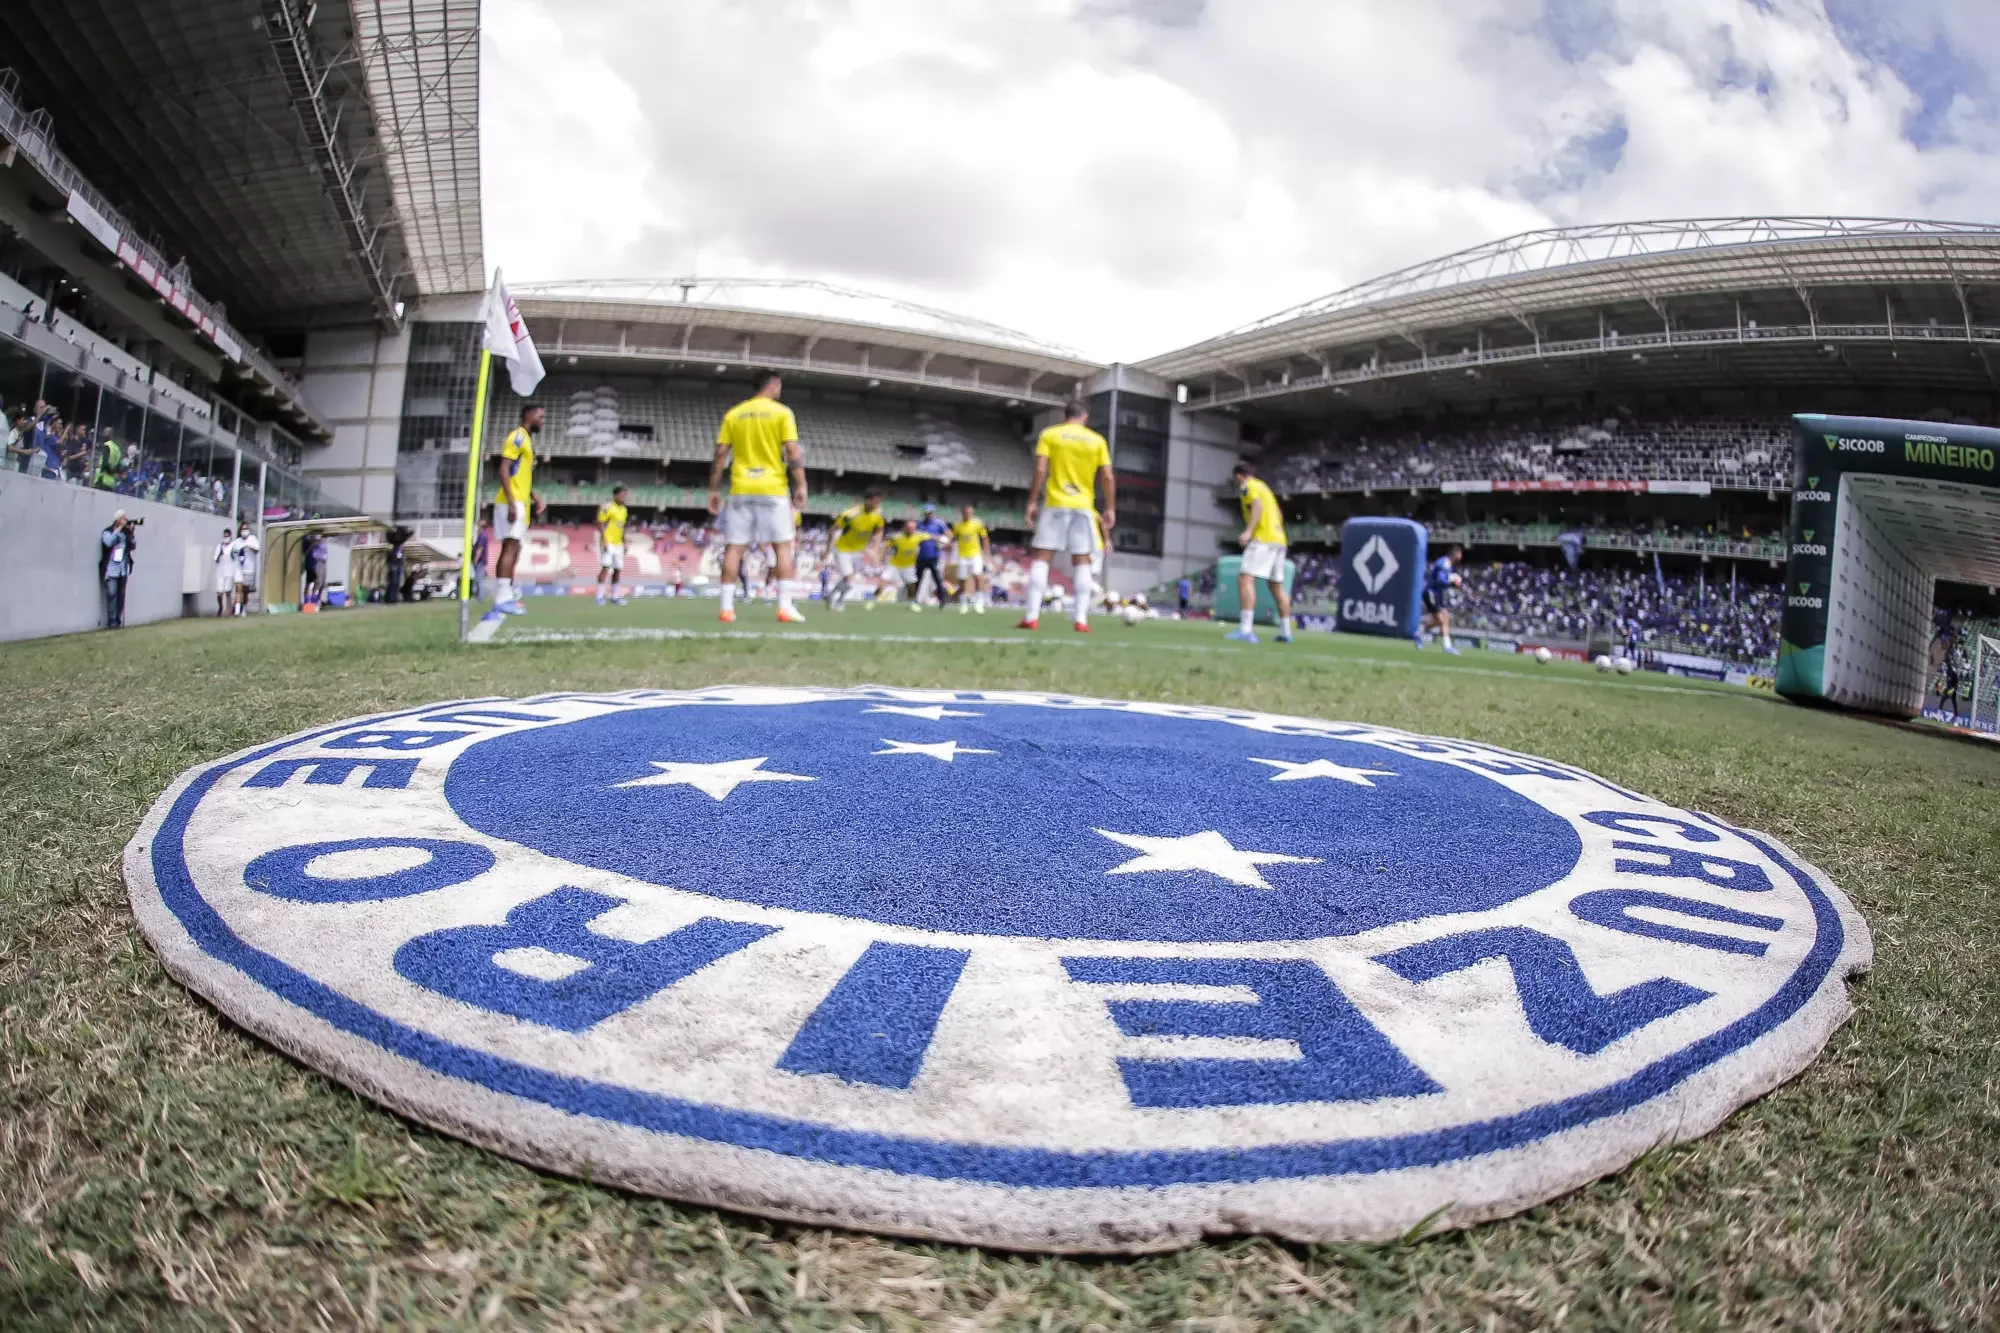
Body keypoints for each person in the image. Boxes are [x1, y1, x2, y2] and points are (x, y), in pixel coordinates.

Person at [708, 370, 807, 624]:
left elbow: (720, 453)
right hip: (772, 488)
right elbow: (792, 451)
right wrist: (801, 484)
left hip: (741, 488)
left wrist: (714, 489)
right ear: (773, 386)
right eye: (779, 387)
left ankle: (726, 609)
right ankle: (784, 607)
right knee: (782, 547)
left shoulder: (735, 413)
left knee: (735, 548)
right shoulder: (782, 413)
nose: (780, 391)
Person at [1019, 401, 1114, 632]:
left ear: (1064, 416)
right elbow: (1108, 477)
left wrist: (1032, 501)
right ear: (1085, 417)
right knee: (1082, 560)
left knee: (1042, 558)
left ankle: (1032, 617)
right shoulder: (1097, 440)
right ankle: (1080, 620)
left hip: (1055, 503)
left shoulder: (1050, 434)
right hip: (1083, 506)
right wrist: (1110, 507)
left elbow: (1041, 470)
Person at [487, 403, 545, 618]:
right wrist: (511, 502)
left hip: (521, 501)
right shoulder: (518, 436)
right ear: (528, 416)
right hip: (511, 502)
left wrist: (534, 497)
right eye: (540, 416)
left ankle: (507, 595)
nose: (543, 420)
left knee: (515, 548)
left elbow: (520, 476)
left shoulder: (528, 441)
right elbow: (503, 468)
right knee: (510, 548)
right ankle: (502, 598)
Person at [1226, 460, 1293, 644]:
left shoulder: (1248, 487)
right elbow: (1279, 513)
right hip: (1279, 540)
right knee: (1277, 587)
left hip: (1262, 539)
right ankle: (1286, 633)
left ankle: (1246, 630)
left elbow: (1257, 505)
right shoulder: (1264, 487)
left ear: (1239, 476)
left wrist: (1248, 531)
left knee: (1245, 579)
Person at [827, 490, 886, 611]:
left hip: (858, 551)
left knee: (848, 579)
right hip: (842, 549)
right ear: (867, 500)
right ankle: (839, 600)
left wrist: (875, 548)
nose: (877, 505)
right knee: (849, 578)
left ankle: (832, 595)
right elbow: (832, 530)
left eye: (879, 502)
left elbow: (880, 530)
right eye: (875, 502)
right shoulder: (850, 515)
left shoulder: (877, 515)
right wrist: (827, 549)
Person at [1420, 543, 1464, 654]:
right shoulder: (1444, 563)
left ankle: (1419, 632)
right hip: (1431, 593)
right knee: (1442, 619)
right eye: (1460, 553)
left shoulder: (1448, 564)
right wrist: (1452, 580)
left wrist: (1452, 582)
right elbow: (1440, 580)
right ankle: (1446, 646)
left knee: (1444, 619)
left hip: (1437, 595)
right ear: (1455, 553)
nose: (1461, 556)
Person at [951, 503, 991, 614]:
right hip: (962, 556)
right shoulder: (957, 526)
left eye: (970, 512)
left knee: (978, 577)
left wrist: (986, 553)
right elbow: (953, 538)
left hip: (975, 555)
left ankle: (979, 603)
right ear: (962, 513)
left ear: (972, 513)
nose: (968, 514)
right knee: (962, 580)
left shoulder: (977, 524)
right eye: (966, 512)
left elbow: (985, 538)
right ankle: (963, 604)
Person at [911, 503, 950, 611]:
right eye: (927, 513)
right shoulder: (919, 524)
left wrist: (943, 543)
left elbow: (949, 536)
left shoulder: (939, 524)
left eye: (930, 513)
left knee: (937, 580)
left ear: (933, 513)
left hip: (933, 557)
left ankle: (942, 600)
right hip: (921, 557)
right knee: (917, 580)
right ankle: (914, 600)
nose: (928, 515)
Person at [596, 484, 630, 605]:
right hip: (608, 542)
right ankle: (599, 596)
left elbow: (623, 527)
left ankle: (615, 596)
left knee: (618, 570)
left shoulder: (624, 509)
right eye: (622, 494)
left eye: (625, 495)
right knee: (605, 568)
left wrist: (625, 542)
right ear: (616, 495)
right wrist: (604, 540)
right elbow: (600, 523)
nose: (624, 497)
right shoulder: (608, 506)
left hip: (618, 544)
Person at [100, 511, 135, 628]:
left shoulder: (126, 533)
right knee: (112, 595)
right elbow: (108, 543)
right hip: (111, 569)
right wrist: (119, 529)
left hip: (123, 569)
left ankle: (118, 621)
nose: (125, 520)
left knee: (121, 596)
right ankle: (111, 622)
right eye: (123, 518)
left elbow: (133, 546)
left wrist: (131, 533)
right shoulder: (108, 532)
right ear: (117, 520)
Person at [883, 518, 924, 608]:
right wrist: (883, 556)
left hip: (908, 566)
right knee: (883, 581)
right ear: (905, 528)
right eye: (909, 528)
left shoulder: (918, 536)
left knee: (911, 585)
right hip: (894, 564)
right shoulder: (897, 537)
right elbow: (887, 544)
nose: (911, 530)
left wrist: (941, 539)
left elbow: (930, 536)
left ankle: (912, 603)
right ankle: (872, 600)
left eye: (913, 528)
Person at [231, 522, 260, 616]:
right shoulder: (237, 542)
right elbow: (233, 554)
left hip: (249, 568)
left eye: (246, 529)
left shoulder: (253, 539)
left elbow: (257, 550)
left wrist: (249, 547)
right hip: (239, 568)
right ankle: (237, 611)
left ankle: (243, 608)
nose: (244, 531)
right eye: (243, 529)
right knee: (239, 588)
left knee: (246, 591)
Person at [212, 525, 235, 617]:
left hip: (229, 572)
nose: (226, 538)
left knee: (228, 592)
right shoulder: (220, 546)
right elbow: (216, 560)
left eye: (227, 536)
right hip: (220, 572)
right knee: (219, 593)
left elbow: (235, 558)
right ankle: (220, 607)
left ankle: (228, 610)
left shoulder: (233, 546)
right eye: (225, 536)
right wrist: (220, 554)